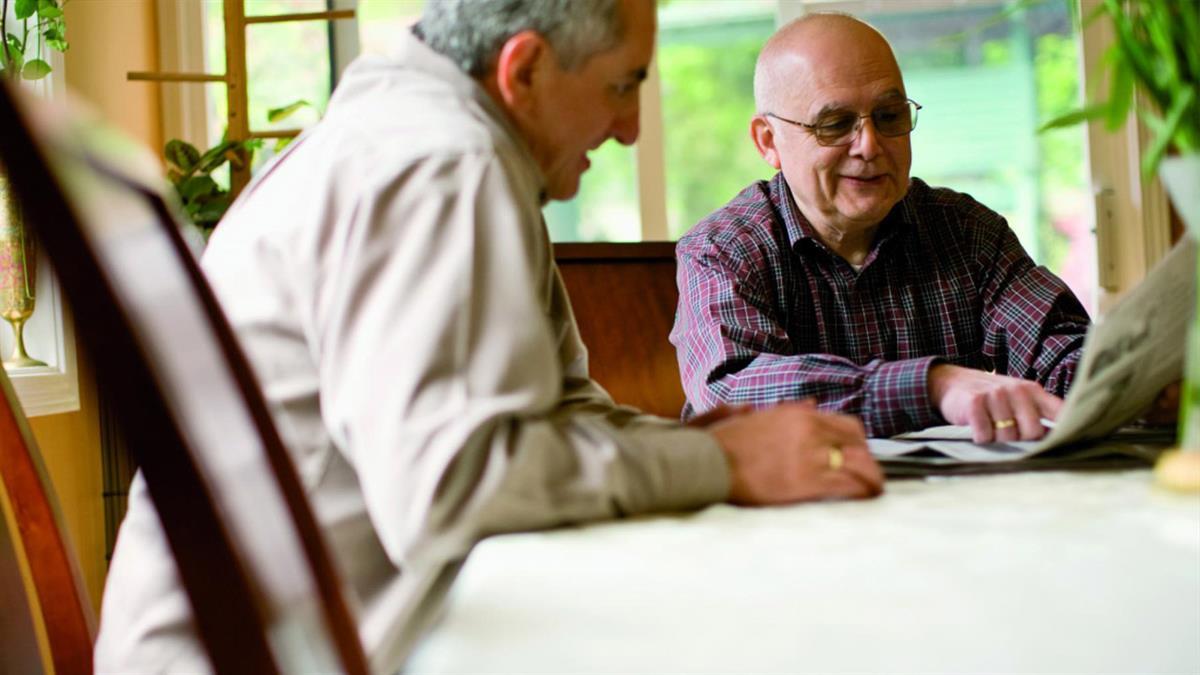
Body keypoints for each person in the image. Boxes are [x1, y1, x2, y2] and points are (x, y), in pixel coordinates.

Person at [95, 1, 884, 671]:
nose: (630, 129)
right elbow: (454, 484)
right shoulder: (444, 162)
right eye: (622, 85)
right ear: (526, 69)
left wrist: (710, 443)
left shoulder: (427, 138)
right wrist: (717, 462)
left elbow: (562, 411)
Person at [671, 12, 1091, 445]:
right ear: (768, 141)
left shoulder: (967, 231)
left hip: (958, 502)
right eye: (834, 124)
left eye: (889, 116)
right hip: (794, 507)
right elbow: (733, 395)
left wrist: (1103, 381)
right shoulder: (721, 250)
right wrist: (935, 386)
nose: (870, 146)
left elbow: (1061, 346)